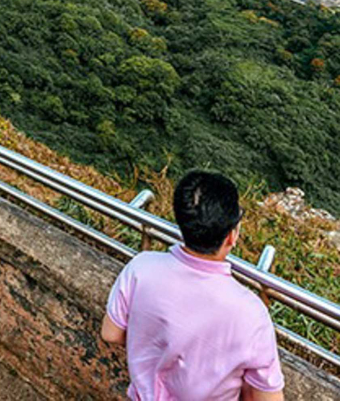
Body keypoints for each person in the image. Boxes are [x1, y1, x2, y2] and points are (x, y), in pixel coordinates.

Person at [101, 170, 284, 401]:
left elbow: (111, 333)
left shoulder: (141, 268)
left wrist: (156, 350)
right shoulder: (251, 313)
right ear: (231, 236)